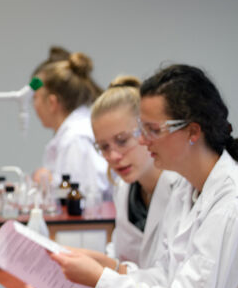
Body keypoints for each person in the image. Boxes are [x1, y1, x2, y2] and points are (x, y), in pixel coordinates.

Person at [52, 64, 238, 288]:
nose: (143, 141)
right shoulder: (188, 191)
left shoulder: (233, 205)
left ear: (192, 132)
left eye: (153, 130)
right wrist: (107, 268)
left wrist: (100, 279)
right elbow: (164, 279)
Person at [71, 76, 184, 274]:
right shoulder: (124, 189)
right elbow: (121, 253)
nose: (113, 156)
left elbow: (170, 280)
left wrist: (107, 270)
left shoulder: (183, 190)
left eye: (122, 141)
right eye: (104, 147)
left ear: (147, 132)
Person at [30, 46, 111, 201]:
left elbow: (85, 199)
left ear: (52, 102)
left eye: (35, 98)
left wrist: (47, 183)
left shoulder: (76, 138)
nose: (33, 106)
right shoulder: (74, 133)